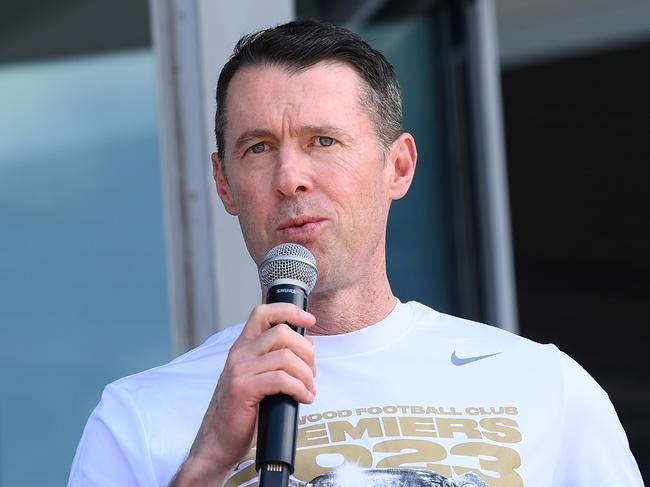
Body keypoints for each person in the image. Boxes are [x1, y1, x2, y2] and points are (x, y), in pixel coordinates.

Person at [68, 20, 643, 487]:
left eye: (323, 141)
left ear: (398, 167)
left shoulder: (545, 386)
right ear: (223, 184)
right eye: (259, 147)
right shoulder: (136, 418)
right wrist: (208, 463)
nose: (290, 176)